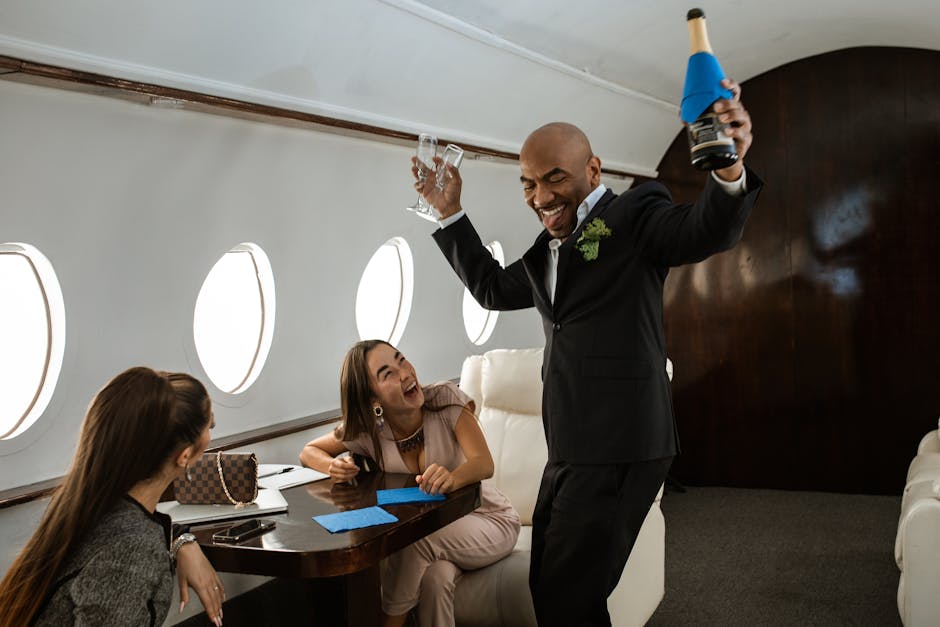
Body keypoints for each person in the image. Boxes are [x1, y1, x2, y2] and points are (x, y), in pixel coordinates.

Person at [412, 79, 762, 626]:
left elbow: (705, 229)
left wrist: (729, 171)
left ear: (593, 171)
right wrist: (450, 213)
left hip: (622, 442)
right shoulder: (546, 247)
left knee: (568, 597)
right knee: (555, 593)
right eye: (527, 184)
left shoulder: (636, 214)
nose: (541, 197)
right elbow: (490, 289)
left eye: (555, 178)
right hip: (570, 448)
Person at [300, 340, 520, 627]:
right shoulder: (369, 431)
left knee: (417, 537)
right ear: (372, 401)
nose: (405, 373)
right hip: (441, 536)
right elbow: (308, 452)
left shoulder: (445, 398)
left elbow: (484, 463)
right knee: (435, 579)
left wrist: (452, 478)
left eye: (401, 360)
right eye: (387, 373)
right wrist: (333, 466)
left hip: (489, 520)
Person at [0, 367, 226, 627]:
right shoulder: (133, 548)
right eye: (210, 425)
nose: (212, 429)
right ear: (184, 456)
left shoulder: (86, 506)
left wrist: (181, 541)